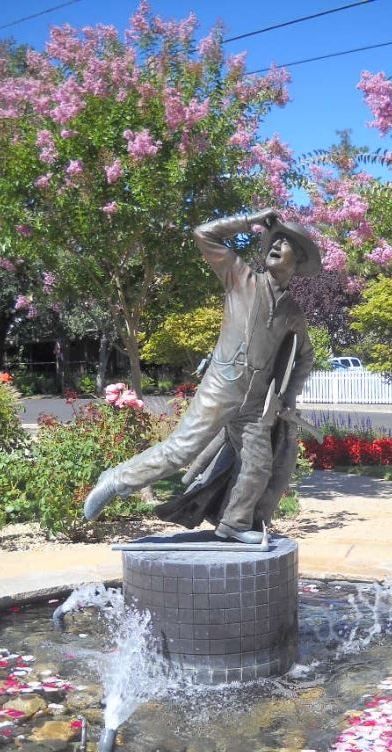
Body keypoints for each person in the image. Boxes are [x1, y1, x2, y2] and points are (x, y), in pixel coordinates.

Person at [83, 208, 321, 542]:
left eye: (287, 242)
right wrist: (249, 220)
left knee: (257, 465)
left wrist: (286, 397)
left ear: (299, 260)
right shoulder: (241, 278)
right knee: (180, 451)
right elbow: (204, 233)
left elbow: (305, 357)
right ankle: (116, 480)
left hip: (255, 404)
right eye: (275, 238)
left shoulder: (292, 312)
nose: (277, 244)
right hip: (221, 388)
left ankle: (234, 525)